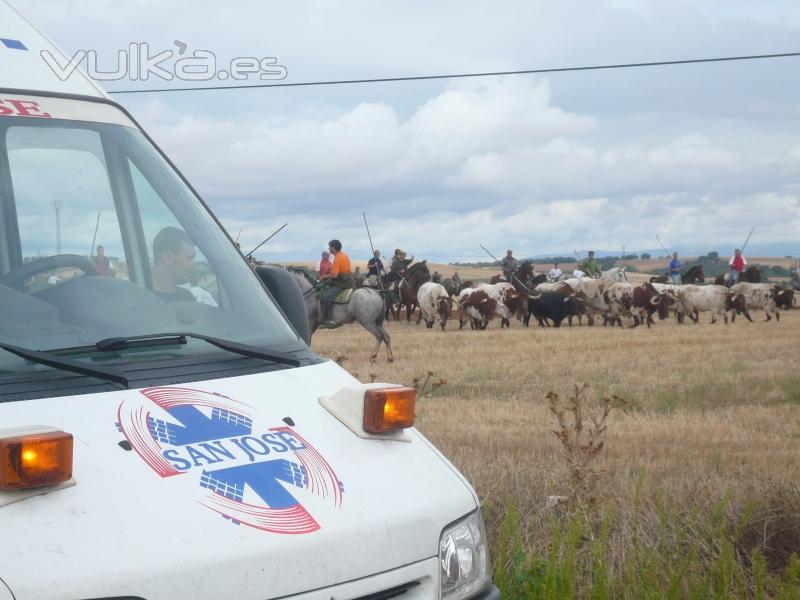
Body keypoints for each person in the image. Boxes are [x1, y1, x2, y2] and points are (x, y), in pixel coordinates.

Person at [151, 227, 198, 303]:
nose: (194, 265)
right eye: (189, 258)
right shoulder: (139, 298)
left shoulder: (187, 298)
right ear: (168, 257)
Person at [318, 239, 352, 326]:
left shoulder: (337, 259)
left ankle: (329, 320)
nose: (329, 249)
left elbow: (334, 275)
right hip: (348, 281)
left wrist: (324, 277)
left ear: (333, 248)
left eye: (329, 247)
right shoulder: (344, 255)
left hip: (341, 284)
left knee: (325, 297)